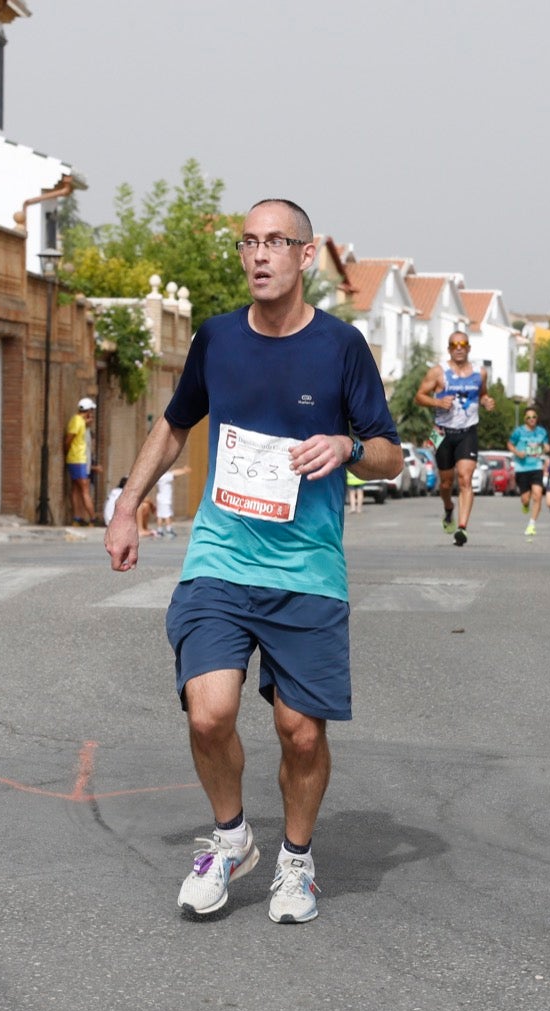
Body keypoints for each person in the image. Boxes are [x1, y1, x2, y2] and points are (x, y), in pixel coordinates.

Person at [104, 198, 401, 925]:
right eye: (249, 242)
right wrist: (127, 503)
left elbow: (391, 455)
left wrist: (348, 449)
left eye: (276, 242)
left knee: (300, 731)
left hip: (306, 568)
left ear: (306, 256)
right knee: (210, 714)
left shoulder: (340, 348)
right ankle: (232, 838)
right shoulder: (217, 340)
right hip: (220, 557)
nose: (260, 255)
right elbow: (174, 427)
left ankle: (295, 860)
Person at [416, 330, 495, 546]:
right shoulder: (438, 372)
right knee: (446, 483)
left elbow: (482, 394)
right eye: (454, 344)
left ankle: (462, 528)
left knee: (465, 479)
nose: (458, 347)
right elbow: (419, 396)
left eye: (463, 344)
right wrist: (437, 403)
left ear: (469, 348)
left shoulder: (480, 373)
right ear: (449, 348)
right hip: (442, 432)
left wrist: (487, 401)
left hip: (467, 431)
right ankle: (448, 508)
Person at [508, 407, 549, 536]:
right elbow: (509, 444)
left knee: (537, 494)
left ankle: (532, 524)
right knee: (525, 499)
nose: (532, 419)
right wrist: (517, 452)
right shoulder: (518, 432)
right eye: (529, 417)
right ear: (525, 419)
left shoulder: (542, 432)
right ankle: (525, 505)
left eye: (534, 417)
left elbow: (547, 446)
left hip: (536, 466)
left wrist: (546, 448)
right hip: (522, 468)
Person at [66, 398, 98, 526]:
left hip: (78, 459)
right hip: (78, 459)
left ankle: (77, 518)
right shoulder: (77, 421)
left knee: (76, 488)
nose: (92, 413)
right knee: (85, 489)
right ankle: (92, 518)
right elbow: (69, 439)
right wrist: (66, 451)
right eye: (91, 410)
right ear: (88, 410)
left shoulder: (81, 421)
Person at [154, 465, 191, 537]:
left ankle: (159, 530)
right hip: (165, 499)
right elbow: (174, 474)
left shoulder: (159, 477)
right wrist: (184, 471)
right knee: (167, 515)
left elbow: (172, 473)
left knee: (160, 515)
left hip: (161, 498)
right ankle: (169, 530)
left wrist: (183, 470)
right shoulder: (164, 477)